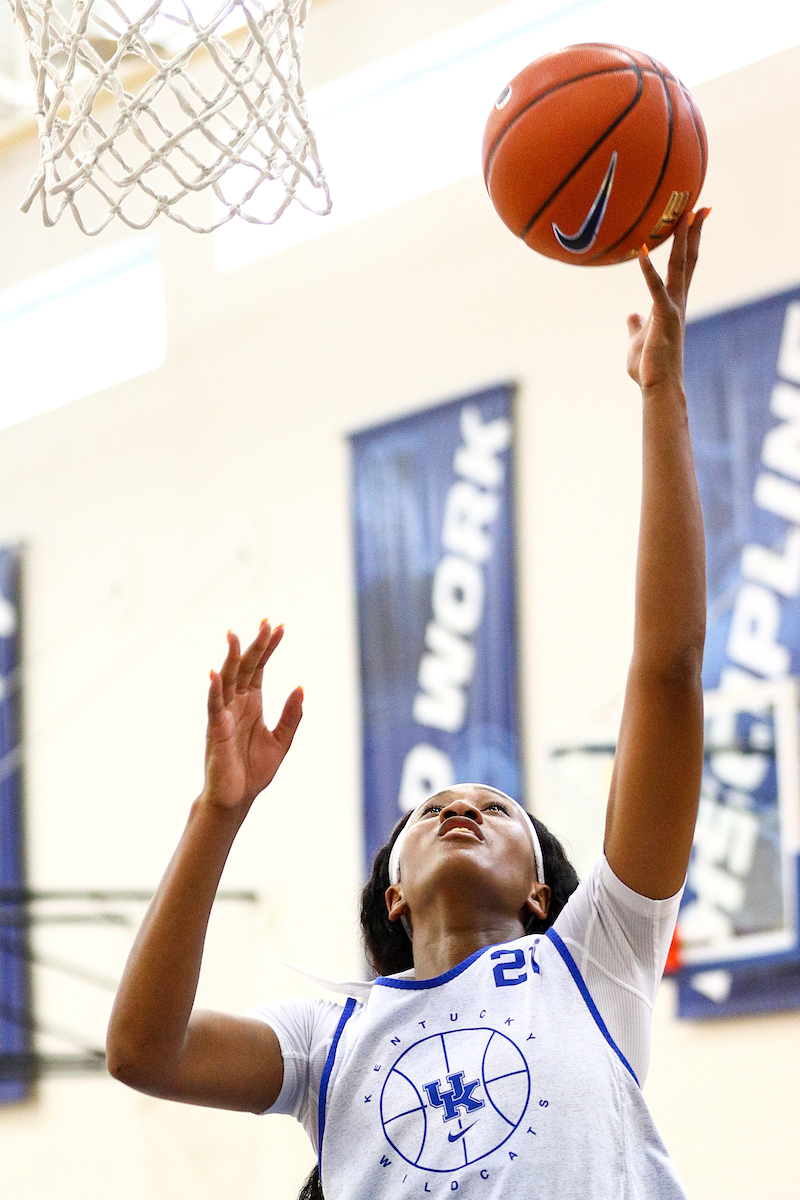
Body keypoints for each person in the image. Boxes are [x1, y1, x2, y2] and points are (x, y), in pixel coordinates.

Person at [107, 210, 710, 1200]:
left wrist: (660, 395)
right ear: (392, 892)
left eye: (493, 808)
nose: (456, 807)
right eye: (428, 812)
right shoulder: (329, 1036)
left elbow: (666, 667)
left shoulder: (593, 960)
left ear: (537, 894)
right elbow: (141, 1051)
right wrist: (219, 812)